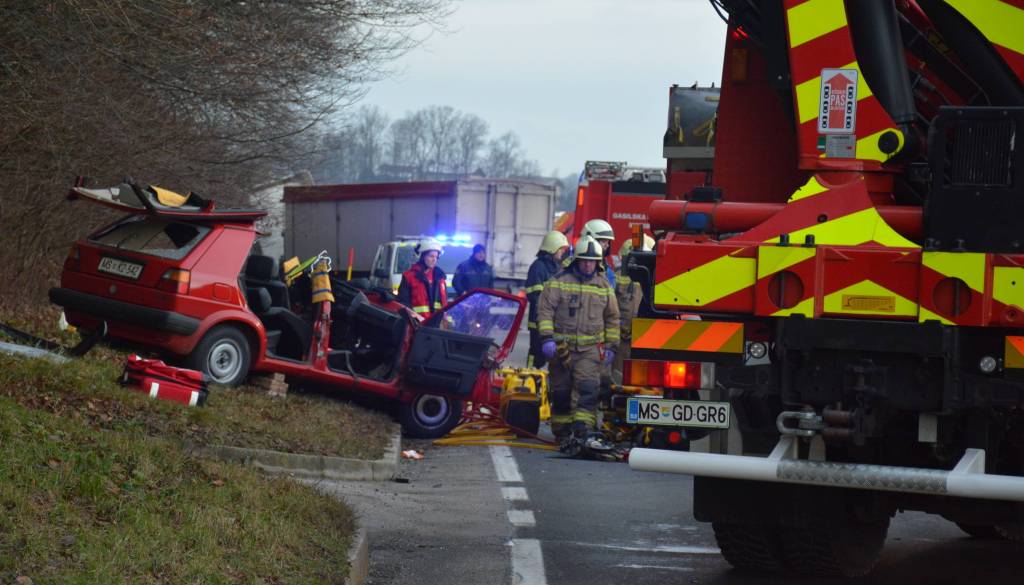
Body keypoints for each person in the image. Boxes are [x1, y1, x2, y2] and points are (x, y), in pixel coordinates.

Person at [536, 235, 619, 441]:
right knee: (561, 392)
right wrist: (547, 338)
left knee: (588, 390)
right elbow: (545, 311)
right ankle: (562, 432)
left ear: (598, 263)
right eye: (584, 261)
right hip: (561, 349)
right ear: (576, 260)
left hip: (590, 351)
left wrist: (611, 346)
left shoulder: (604, 286)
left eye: (592, 261)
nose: (588, 265)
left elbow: (612, 318)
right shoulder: (558, 282)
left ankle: (583, 429)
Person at [612, 234, 655, 382]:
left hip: (642, 336)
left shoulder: (651, 278)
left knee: (641, 377)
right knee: (619, 377)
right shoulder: (617, 276)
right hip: (622, 336)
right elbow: (610, 305)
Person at [525, 231, 570, 368]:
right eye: (560, 249)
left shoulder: (558, 267)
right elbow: (533, 294)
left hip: (555, 320)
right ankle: (530, 374)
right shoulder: (538, 267)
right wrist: (549, 306)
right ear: (552, 248)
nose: (563, 252)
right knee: (537, 354)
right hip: (538, 320)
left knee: (556, 355)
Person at [397, 237, 447, 318]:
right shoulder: (409, 277)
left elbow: (444, 303)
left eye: (436, 257)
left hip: (437, 323)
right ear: (422, 256)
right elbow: (403, 302)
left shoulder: (440, 277)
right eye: (431, 256)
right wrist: (414, 318)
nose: (434, 259)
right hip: (417, 323)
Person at [580, 218, 617, 287]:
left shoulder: (605, 266)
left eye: (608, 242)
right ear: (590, 240)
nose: (607, 245)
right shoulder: (575, 265)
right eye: (604, 241)